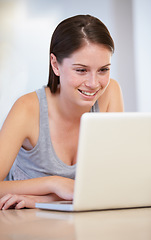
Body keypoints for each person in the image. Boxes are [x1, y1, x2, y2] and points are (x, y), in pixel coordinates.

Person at [0, 14, 124, 210]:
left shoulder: (110, 92)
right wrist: (53, 183)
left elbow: (115, 179)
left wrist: (47, 199)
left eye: (103, 70)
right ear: (55, 64)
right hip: (25, 225)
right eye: (81, 70)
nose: (94, 83)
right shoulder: (27, 109)